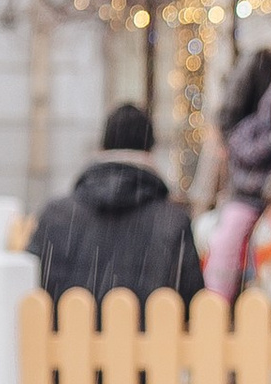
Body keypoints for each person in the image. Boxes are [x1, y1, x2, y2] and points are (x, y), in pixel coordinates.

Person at [28, 104, 201, 308]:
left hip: (63, 337)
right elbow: (193, 305)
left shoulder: (55, 215)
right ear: (150, 151)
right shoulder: (173, 222)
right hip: (150, 338)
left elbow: (28, 296)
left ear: (103, 147)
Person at [202, 49, 271, 304]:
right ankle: (218, 301)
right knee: (229, 237)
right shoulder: (252, 128)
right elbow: (239, 142)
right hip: (250, 190)